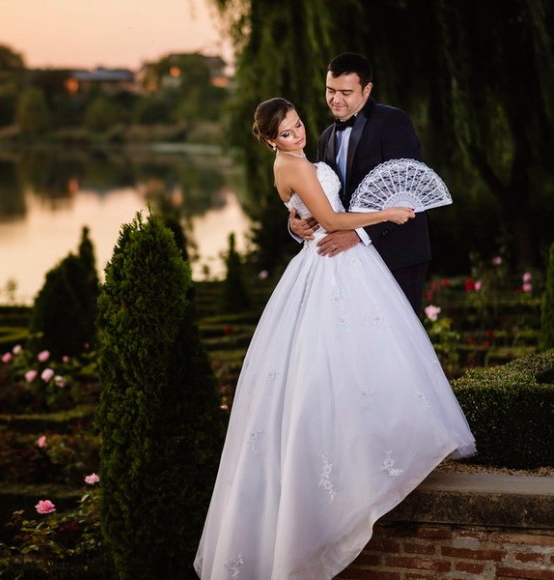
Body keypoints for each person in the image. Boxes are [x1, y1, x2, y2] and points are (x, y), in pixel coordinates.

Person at [193, 98, 475, 580]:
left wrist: (291, 221)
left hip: (335, 261)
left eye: (298, 124)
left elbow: (302, 216)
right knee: (339, 362)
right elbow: (333, 220)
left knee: (363, 359)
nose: (298, 134)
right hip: (332, 262)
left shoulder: (300, 157)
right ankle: (356, 470)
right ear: (268, 140)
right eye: (285, 132)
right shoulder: (293, 166)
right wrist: (388, 215)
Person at [290, 53, 430, 314]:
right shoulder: (325, 138)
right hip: (348, 264)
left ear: (366, 90)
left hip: (396, 253)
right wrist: (296, 222)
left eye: (345, 92)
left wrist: (357, 234)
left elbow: (406, 191)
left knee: (399, 343)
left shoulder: (393, 122)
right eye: (330, 90)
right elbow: (325, 198)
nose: (335, 99)